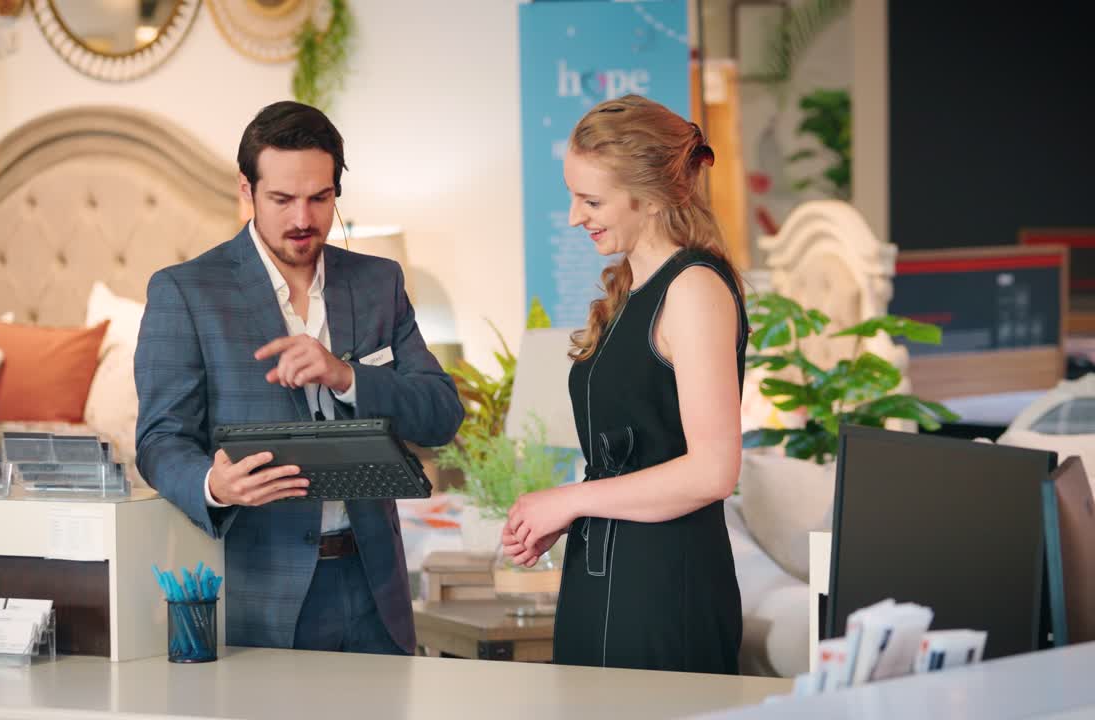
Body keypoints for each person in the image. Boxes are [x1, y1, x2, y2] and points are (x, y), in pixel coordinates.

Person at [134, 100, 464, 656]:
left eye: (320, 198)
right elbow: (159, 441)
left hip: (374, 588)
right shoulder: (186, 292)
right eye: (282, 199)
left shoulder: (379, 282)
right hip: (261, 592)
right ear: (247, 190)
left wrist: (347, 376)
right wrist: (213, 486)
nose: (303, 220)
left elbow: (441, 415)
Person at [502, 94, 748, 673]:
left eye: (591, 200)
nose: (572, 217)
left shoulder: (693, 290)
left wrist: (569, 500)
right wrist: (566, 517)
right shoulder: (632, 294)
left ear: (654, 199)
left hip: (665, 590)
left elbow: (715, 471)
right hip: (604, 579)